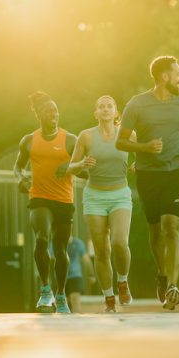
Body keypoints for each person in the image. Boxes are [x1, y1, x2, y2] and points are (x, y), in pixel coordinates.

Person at [117, 56, 179, 311]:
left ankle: (173, 284)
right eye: (177, 73)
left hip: (177, 171)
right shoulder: (137, 105)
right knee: (155, 231)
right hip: (148, 173)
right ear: (164, 76)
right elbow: (121, 141)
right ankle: (162, 274)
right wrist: (144, 147)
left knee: (171, 227)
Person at [63, 95, 135, 313]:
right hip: (94, 197)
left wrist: (138, 165)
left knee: (120, 243)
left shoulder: (128, 133)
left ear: (116, 112)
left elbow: (145, 153)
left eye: (109, 106)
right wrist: (82, 163)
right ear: (96, 113)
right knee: (102, 250)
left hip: (120, 195)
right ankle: (108, 298)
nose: (105, 109)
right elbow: (71, 167)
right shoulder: (86, 136)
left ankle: (122, 282)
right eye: (101, 107)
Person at [14, 91, 77, 314]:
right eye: (49, 111)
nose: (54, 115)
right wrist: (21, 179)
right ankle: (45, 290)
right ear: (39, 115)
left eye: (56, 111)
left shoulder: (70, 140)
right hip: (39, 197)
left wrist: (69, 167)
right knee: (41, 238)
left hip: (64, 200)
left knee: (60, 249)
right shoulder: (29, 141)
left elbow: (85, 170)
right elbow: (18, 167)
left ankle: (60, 294)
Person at [49, 235, 95, 314]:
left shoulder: (78, 243)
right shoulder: (55, 243)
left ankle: (77, 321)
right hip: (60, 277)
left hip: (75, 276)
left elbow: (86, 259)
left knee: (75, 299)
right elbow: (50, 257)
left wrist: (91, 274)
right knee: (61, 302)